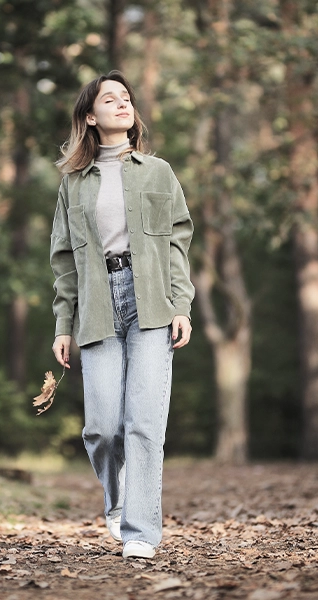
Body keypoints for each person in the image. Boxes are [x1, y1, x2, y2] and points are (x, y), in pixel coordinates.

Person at [49, 71, 195, 560]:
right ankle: (116, 499)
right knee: (103, 426)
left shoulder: (158, 172)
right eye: (110, 100)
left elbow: (178, 243)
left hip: (151, 299)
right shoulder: (73, 183)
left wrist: (181, 304)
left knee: (144, 423)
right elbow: (64, 259)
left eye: (127, 98)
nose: (122, 104)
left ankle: (140, 533)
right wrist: (62, 325)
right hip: (95, 302)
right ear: (90, 116)